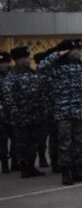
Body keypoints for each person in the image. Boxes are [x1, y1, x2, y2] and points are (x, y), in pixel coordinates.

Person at [39, 39, 82, 185]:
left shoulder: (81, 66)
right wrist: (57, 54)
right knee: (65, 144)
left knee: (80, 142)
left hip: (81, 110)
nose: (77, 52)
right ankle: (66, 172)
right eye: (73, 50)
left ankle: (78, 169)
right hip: (64, 112)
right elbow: (41, 67)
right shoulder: (57, 68)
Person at [2, 46, 48, 178]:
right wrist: (15, 112)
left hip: (35, 114)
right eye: (24, 58)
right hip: (21, 115)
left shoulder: (33, 74)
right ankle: (24, 167)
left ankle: (32, 165)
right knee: (22, 142)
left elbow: (41, 92)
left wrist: (42, 108)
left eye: (28, 58)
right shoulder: (11, 76)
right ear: (17, 60)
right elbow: (8, 96)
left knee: (34, 141)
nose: (27, 60)